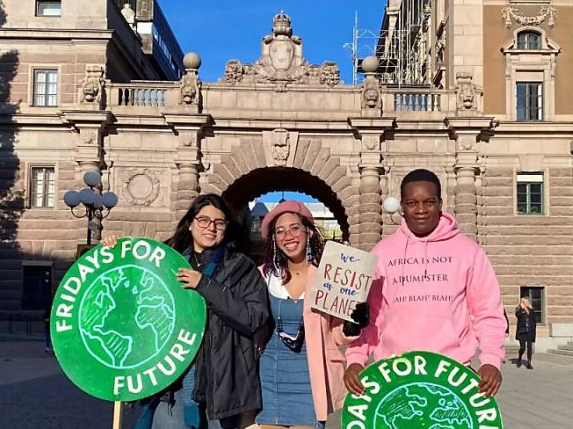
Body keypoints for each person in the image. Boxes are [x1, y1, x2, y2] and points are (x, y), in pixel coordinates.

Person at [105, 193, 270, 429]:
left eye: (219, 222)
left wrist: (205, 285)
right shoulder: (165, 262)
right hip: (172, 387)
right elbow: (127, 284)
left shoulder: (243, 268)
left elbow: (254, 318)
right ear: (191, 223)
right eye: (204, 220)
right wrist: (112, 251)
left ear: (226, 228)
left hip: (221, 391)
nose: (210, 227)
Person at [343, 168, 506, 397]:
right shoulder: (382, 253)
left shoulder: (469, 252)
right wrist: (356, 360)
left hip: (452, 375)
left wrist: (490, 359)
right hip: (394, 376)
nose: (421, 210)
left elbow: (487, 313)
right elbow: (369, 318)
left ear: (440, 203)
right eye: (412, 203)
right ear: (402, 206)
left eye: (429, 202)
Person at [255, 200, 359, 429]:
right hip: (270, 376)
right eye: (279, 231)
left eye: (294, 228)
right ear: (274, 239)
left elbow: (337, 333)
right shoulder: (263, 275)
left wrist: (352, 326)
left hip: (311, 378)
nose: (288, 236)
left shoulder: (328, 275)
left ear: (308, 231)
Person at [515, 297, 536, 369]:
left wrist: (533, 331)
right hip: (522, 331)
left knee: (529, 347)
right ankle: (520, 357)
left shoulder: (531, 310)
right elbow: (518, 315)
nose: (526, 303)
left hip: (529, 331)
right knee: (522, 347)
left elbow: (534, 321)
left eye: (527, 302)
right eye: (524, 302)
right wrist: (522, 308)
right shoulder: (519, 310)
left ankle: (529, 363)